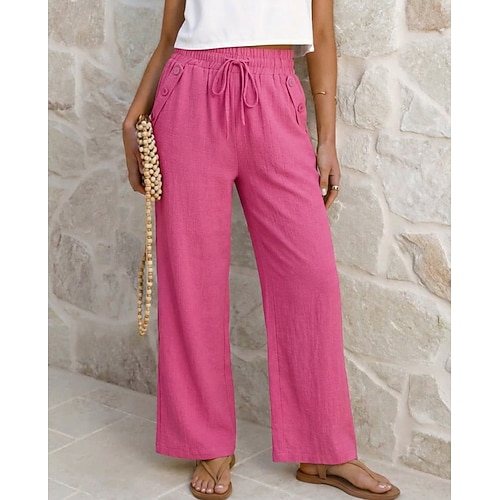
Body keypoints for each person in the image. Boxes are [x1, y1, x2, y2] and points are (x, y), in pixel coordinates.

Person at [122, 1, 400, 499]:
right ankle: (208, 443)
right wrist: (134, 113)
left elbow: (320, 32)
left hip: (275, 92)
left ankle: (323, 448)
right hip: (188, 94)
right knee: (191, 279)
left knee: (311, 279)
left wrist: (328, 140)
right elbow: (170, 32)